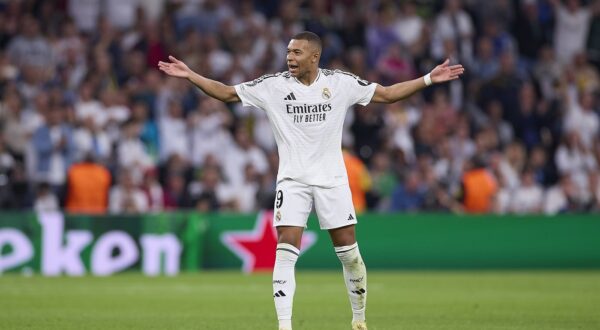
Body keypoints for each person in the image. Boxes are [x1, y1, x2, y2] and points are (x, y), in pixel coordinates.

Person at [159, 31, 464, 330]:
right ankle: (284, 326)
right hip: (292, 181)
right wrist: (191, 75)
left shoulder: (340, 83)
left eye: (297, 52)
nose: (289, 57)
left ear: (314, 56)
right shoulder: (272, 86)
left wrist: (427, 79)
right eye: (288, 52)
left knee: (349, 254)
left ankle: (359, 319)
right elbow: (225, 92)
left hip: (332, 180)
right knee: (285, 250)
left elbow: (386, 93)